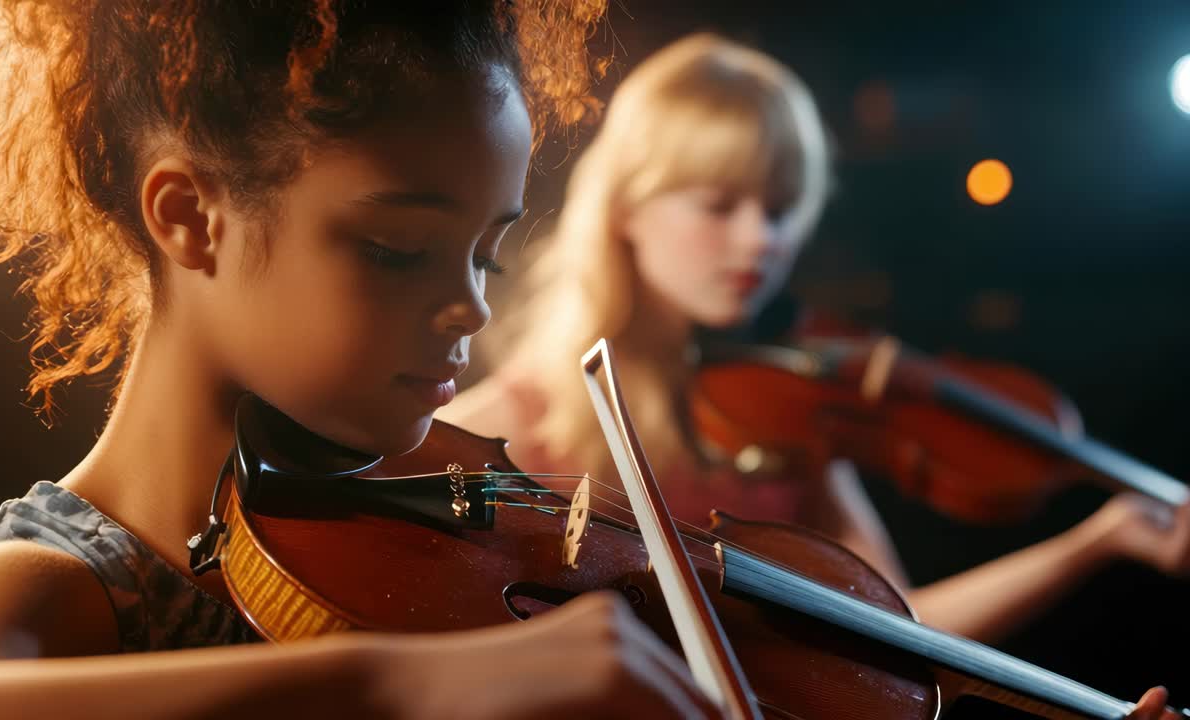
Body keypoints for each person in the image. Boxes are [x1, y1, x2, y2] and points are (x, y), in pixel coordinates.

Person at [0, 3, 729, 718]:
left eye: (487, 256)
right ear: (192, 217)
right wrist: (394, 683)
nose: (474, 306)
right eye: (398, 250)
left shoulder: (421, 559)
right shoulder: (48, 588)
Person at [443, 31, 1190, 656]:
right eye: (719, 204)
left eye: (779, 209)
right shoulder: (495, 427)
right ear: (626, 208)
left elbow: (906, 629)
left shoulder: (780, 423)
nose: (759, 241)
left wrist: (1099, 542)